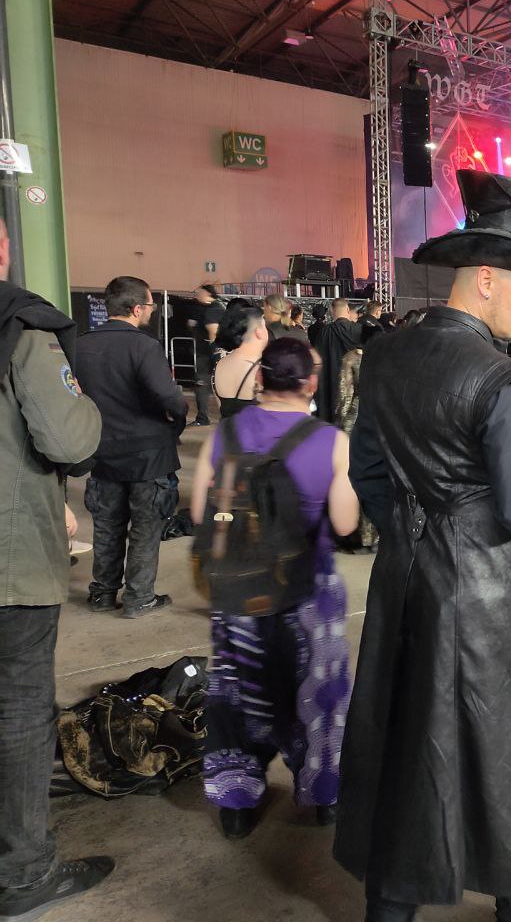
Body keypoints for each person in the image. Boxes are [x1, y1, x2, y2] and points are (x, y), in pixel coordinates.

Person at [334, 172, 511, 922]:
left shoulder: (384, 355)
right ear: (486, 279)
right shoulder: (502, 381)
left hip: (403, 578)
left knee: (404, 738)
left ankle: (390, 908)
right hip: (484, 592)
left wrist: (414, 528)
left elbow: (368, 472)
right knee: (500, 750)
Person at [191, 338, 359, 840]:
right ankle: (324, 795)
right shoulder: (331, 441)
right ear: (311, 383)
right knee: (319, 694)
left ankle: (237, 803)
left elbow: (201, 514)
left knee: (238, 693)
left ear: (260, 379)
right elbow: (346, 524)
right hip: (308, 593)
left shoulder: (224, 434)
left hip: (239, 593)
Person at [0, 230, 113, 920]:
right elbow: (69, 438)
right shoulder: (20, 327)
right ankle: (23, 874)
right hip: (9, 564)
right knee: (18, 709)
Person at [77, 276, 186, 618]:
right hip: (148, 456)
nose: (151, 311)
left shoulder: (79, 345)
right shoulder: (144, 346)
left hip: (102, 452)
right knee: (145, 528)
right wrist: (176, 421)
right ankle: (139, 598)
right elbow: (170, 398)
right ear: (137, 309)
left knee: (107, 527)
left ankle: (102, 594)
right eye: (150, 305)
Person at [335, 330, 377, 551]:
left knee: (352, 475)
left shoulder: (351, 359)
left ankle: (355, 533)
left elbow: (346, 394)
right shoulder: (384, 356)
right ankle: (373, 534)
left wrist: (339, 421)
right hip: (379, 420)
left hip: (355, 420)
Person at [213, 303, 268, 418]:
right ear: (258, 331)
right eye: (264, 326)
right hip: (255, 428)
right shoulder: (262, 368)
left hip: (227, 428)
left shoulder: (219, 364)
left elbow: (221, 409)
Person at [314, 298, 363, 422]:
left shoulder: (324, 332)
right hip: (354, 385)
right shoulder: (359, 330)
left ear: (331, 311)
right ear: (348, 309)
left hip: (330, 383)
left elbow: (317, 359)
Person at [188, 283, 223, 426]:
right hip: (212, 353)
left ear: (208, 294)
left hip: (208, 354)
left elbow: (213, 333)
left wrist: (215, 354)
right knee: (215, 384)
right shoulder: (215, 308)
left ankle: (203, 418)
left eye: (199, 293)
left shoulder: (213, 310)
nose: (197, 296)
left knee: (204, 384)